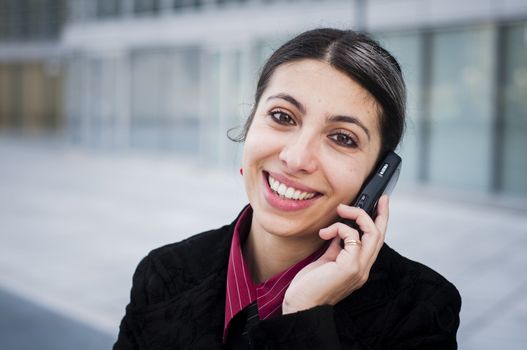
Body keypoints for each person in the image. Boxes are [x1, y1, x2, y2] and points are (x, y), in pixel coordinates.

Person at [114, 28, 461, 349]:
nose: (296, 158)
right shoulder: (161, 274)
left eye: (342, 138)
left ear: (378, 176)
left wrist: (304, 315)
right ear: (250, 126)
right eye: (282, 116)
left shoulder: (420, 310)